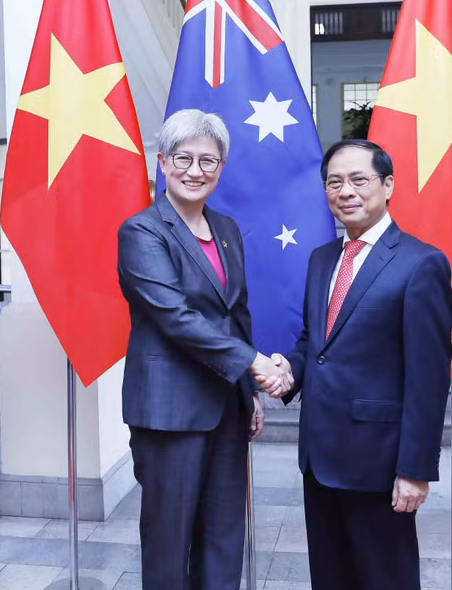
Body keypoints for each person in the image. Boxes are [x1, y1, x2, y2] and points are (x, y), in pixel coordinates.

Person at [117, 109, 292, 590]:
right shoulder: (142, 232)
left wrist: (249, 392)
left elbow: (237, 314)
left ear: (221, 168)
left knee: (223, 536)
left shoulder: (227, 229)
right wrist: (254, 362)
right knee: (169, 542)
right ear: (162, 162)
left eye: (208, 161)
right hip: (169, 413)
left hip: (226, 409)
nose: (195, 171)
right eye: (183, 158)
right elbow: (175, 316)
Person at [272, 140, 452, 589]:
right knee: (330, 579)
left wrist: (414, 469)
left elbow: (429, 380)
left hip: (379, 465)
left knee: (384, 579)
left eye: (358, 179)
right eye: (334, 182)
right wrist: (289, 369)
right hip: (319, 460)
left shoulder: (421, 263)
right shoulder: (322, 259)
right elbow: (315, 343)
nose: (346, 191)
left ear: (387, 185)